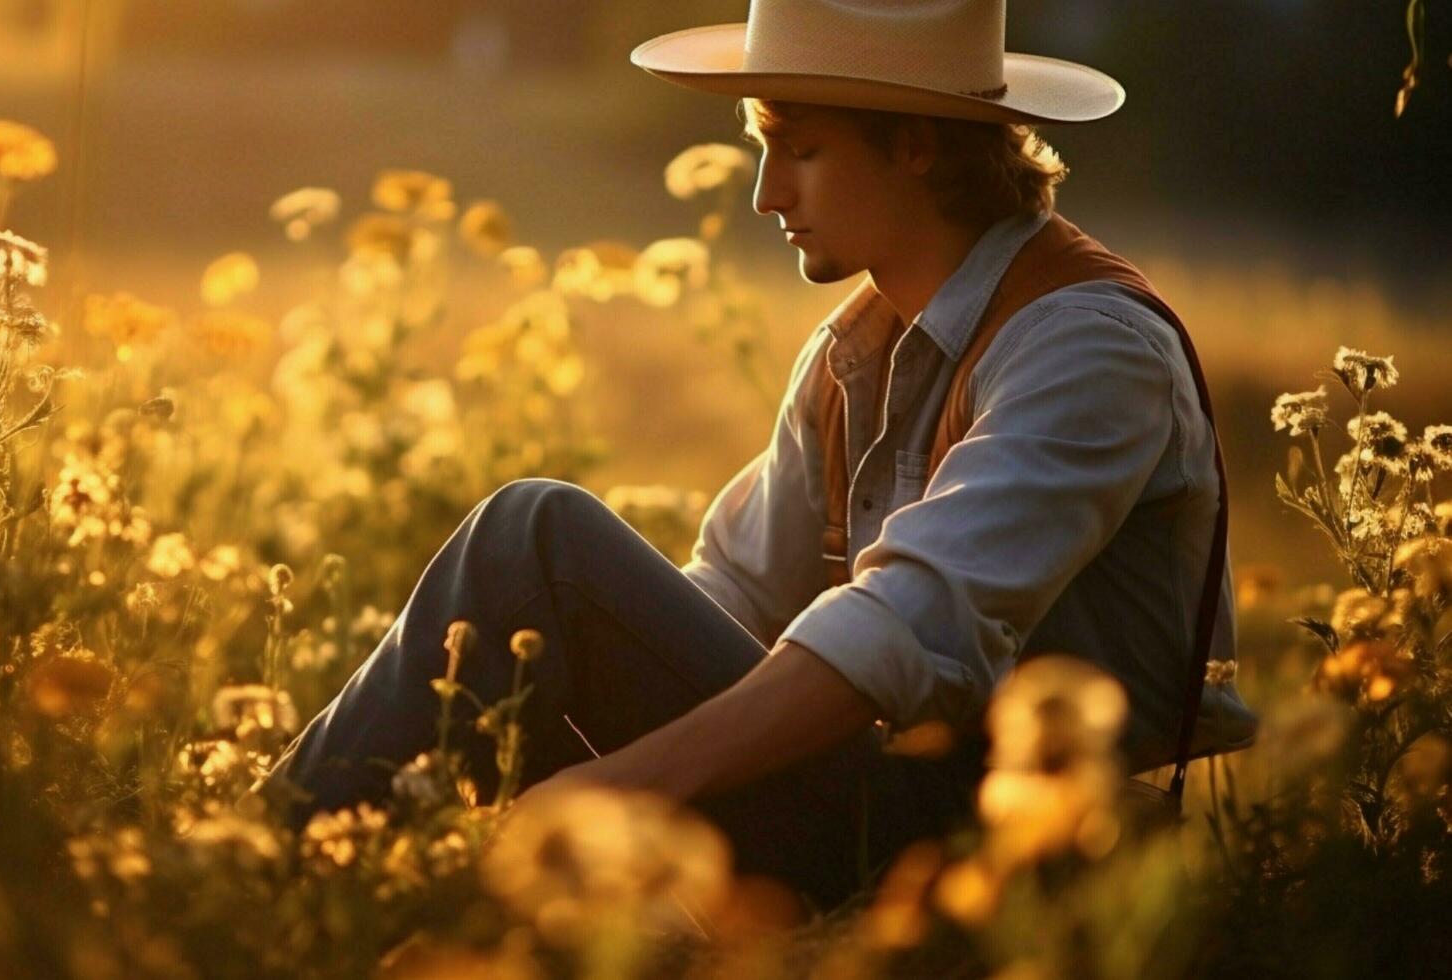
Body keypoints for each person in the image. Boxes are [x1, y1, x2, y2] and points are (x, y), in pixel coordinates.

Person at [258, 0, 1257, 912]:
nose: (767, 195)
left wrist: (623, 780)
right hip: (882, 805)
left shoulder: (1088, 343)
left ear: (914, 145)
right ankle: (300, 871)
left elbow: (910, 624)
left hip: (1016, 852)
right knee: (535, 580)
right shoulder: (853, 355)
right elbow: (728, 594)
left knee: (538, 533)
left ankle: (257, 873)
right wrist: (575, 731)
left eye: (803, 151)